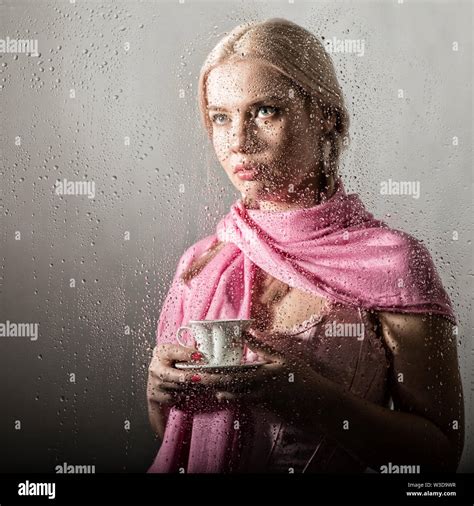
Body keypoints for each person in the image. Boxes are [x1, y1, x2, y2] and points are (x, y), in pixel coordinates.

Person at [146, 18, 464, 473]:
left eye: (265, 111)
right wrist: (159, 391)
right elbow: (173, 434)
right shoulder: (202, 262)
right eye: (221, 116)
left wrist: (308, 397)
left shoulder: (392, 262)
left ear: (326, 116)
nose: (238, 141)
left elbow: (439, 456)